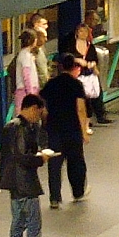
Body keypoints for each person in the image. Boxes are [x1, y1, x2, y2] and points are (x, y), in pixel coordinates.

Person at [0, 94, 57, 237]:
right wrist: (41, 158)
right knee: (33, 226)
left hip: (12, 183)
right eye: (38, 113)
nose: (38, 118)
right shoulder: (22, 129)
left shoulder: (9, 126)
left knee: (17, 226)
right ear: (33, 108)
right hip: (26, 183)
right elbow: (23, 157)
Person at [39, 54, 90, 208]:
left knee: (54, 163)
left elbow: (43, 106)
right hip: (72, 128)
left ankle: (55, 198)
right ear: (74, 66)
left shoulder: (51, 84)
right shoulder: (76, 85)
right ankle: (78, 192)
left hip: (55, 128)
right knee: (75, 161)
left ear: (60, 66)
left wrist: (45, 122)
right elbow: (80, 109)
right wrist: (84, 131)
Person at [61, 23, 113, 127]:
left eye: (85, 31)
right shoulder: (70, 45)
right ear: (77, 33)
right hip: (76, 74)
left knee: (96, 94)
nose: (83, 34)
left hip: (89, 74)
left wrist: (92, 64)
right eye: (81, 31)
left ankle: (100, 115)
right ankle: (84, 120)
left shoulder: (90, 46)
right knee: (81, 97)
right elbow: (65, 57)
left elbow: (94, 60)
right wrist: (77, 60)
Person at [14, 28, 40, 115]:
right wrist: (30, 94)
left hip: (27, 92)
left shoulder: (25, 54)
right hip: (26, 92)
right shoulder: (25, 56)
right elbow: (26, 76)